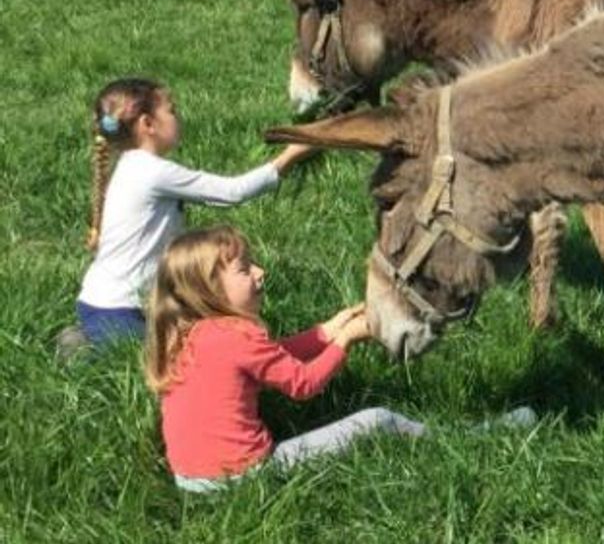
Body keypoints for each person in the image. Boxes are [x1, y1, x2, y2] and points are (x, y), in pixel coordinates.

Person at [145, 225, 426, 492]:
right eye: (244, 270)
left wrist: (326, 331)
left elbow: (272, 356)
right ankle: (447, 437)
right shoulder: (239, 335)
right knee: (377, 420)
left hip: (189, 481)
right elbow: (304, 384)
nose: (259, 272)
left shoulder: (188, 335)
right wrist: (346, 339)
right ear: (210, 290)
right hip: (243, 478)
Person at [58, 77, 315, 356]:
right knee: (189, 361)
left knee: (189, 342)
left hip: (104, 301)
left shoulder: (132, 166)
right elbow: (232, 192)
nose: (177, 117)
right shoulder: (152, 172)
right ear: (148, 124)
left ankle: (89, 339)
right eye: (171, 110)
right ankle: (84, 350)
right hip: (121, 310)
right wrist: (292, 154)